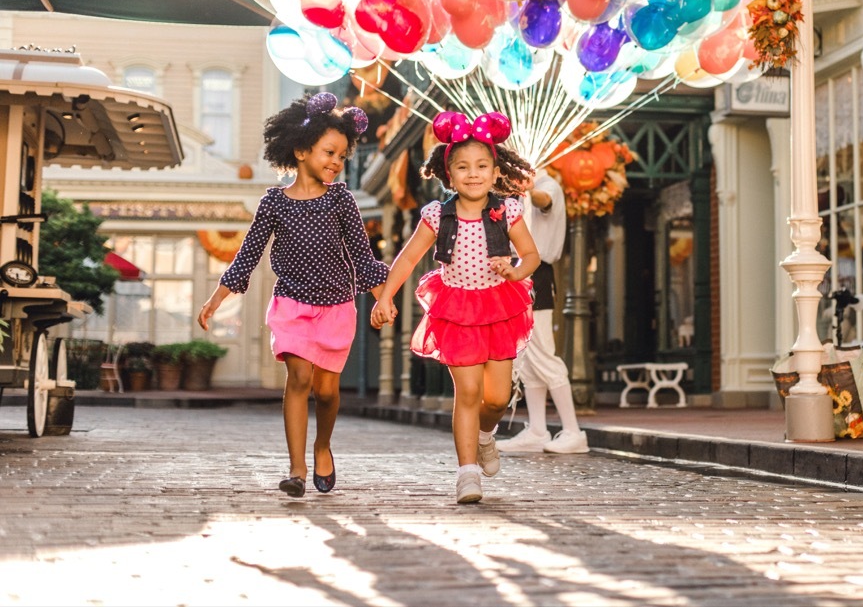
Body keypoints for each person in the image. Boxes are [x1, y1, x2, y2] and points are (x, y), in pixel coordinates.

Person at [197, 92, 389, 499]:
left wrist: (382, 297)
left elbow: (362, 256)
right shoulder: (273, 203)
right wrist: (217, 299)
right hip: (292, 306)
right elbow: (247, 254)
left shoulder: (342, 200)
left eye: (342, 156)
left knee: (327, 391)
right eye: (329, 153)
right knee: (299, 378)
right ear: (301, 151)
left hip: (337, 306)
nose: (337, 162)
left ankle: (323, 446)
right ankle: (297, 468)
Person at [370, 110, 539, 504]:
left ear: (496, 172)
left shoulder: (506, 210)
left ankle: (485, 436)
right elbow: (408, 259)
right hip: (457, 309)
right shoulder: (436, 215)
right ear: (449, 175)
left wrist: (514, 270)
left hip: (499, 306)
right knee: (467, 391)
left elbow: (531, 255)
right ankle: (466, 475)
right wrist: (385, 295)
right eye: (463, 167)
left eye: (482, 166)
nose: (473, 174)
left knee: (495, 399)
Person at [496, 169, 589, 454]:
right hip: (514, 271)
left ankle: (573, 431)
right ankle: (537, 430)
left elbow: (543, 200)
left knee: (542, 350)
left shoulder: (548, 185)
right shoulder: (512, 190)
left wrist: (526, 188)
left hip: (535, 272)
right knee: (526, 356)